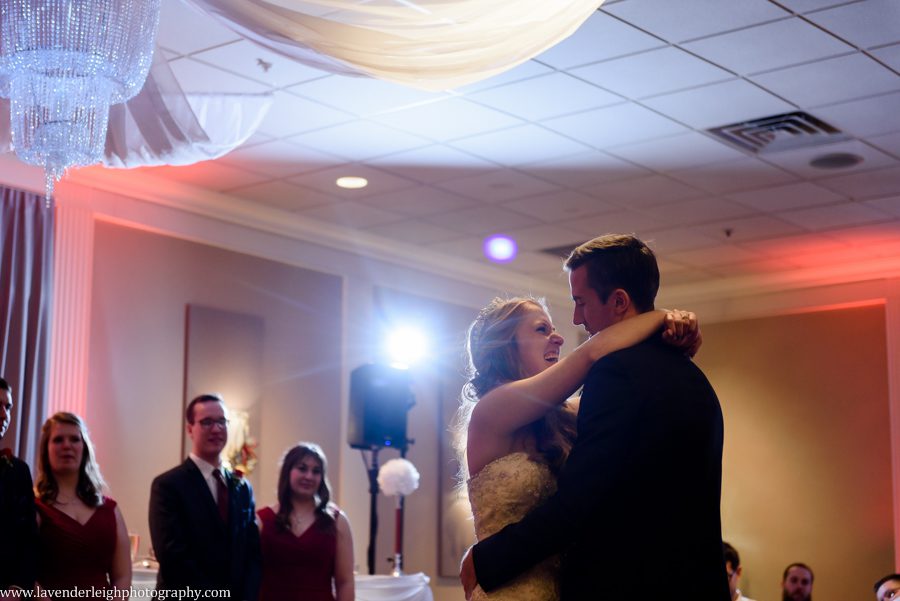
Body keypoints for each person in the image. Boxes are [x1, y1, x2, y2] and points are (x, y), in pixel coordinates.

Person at [461, 233, 730, 600]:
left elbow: (582, 500)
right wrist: (664, 317)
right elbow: (589, 355)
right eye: (542, 329)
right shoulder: (494, 409)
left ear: (618, 301)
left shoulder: (595, 394)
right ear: (505, 347)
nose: (563, 331)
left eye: (579, 303)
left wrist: (487, 560)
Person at [149, 393, 261, 600]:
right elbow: (172, 556)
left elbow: (252, 553)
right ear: (190, 429)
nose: (216, 429)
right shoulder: (168, 485)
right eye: (207, 422)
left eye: (221, 422)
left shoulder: (242, 487)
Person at [34, 412, 131, 591]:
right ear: (45, 450)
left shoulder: (110, 509)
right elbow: (21, 572)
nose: (67, 446)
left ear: (84, 448)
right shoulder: (34, 507)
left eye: (74, 439)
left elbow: (122, 576)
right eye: (58, 440)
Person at [257, 442, 354, 601]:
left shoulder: (337, 521)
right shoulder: (262, 520)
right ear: (288, 471)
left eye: (316, 471)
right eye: (302, 468)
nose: (309, 476)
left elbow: (345, 582)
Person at [0, 377, 38, 594]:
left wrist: (16, 590)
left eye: (8, 407)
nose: (4, 415)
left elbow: (28, 539)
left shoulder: (19, 471)